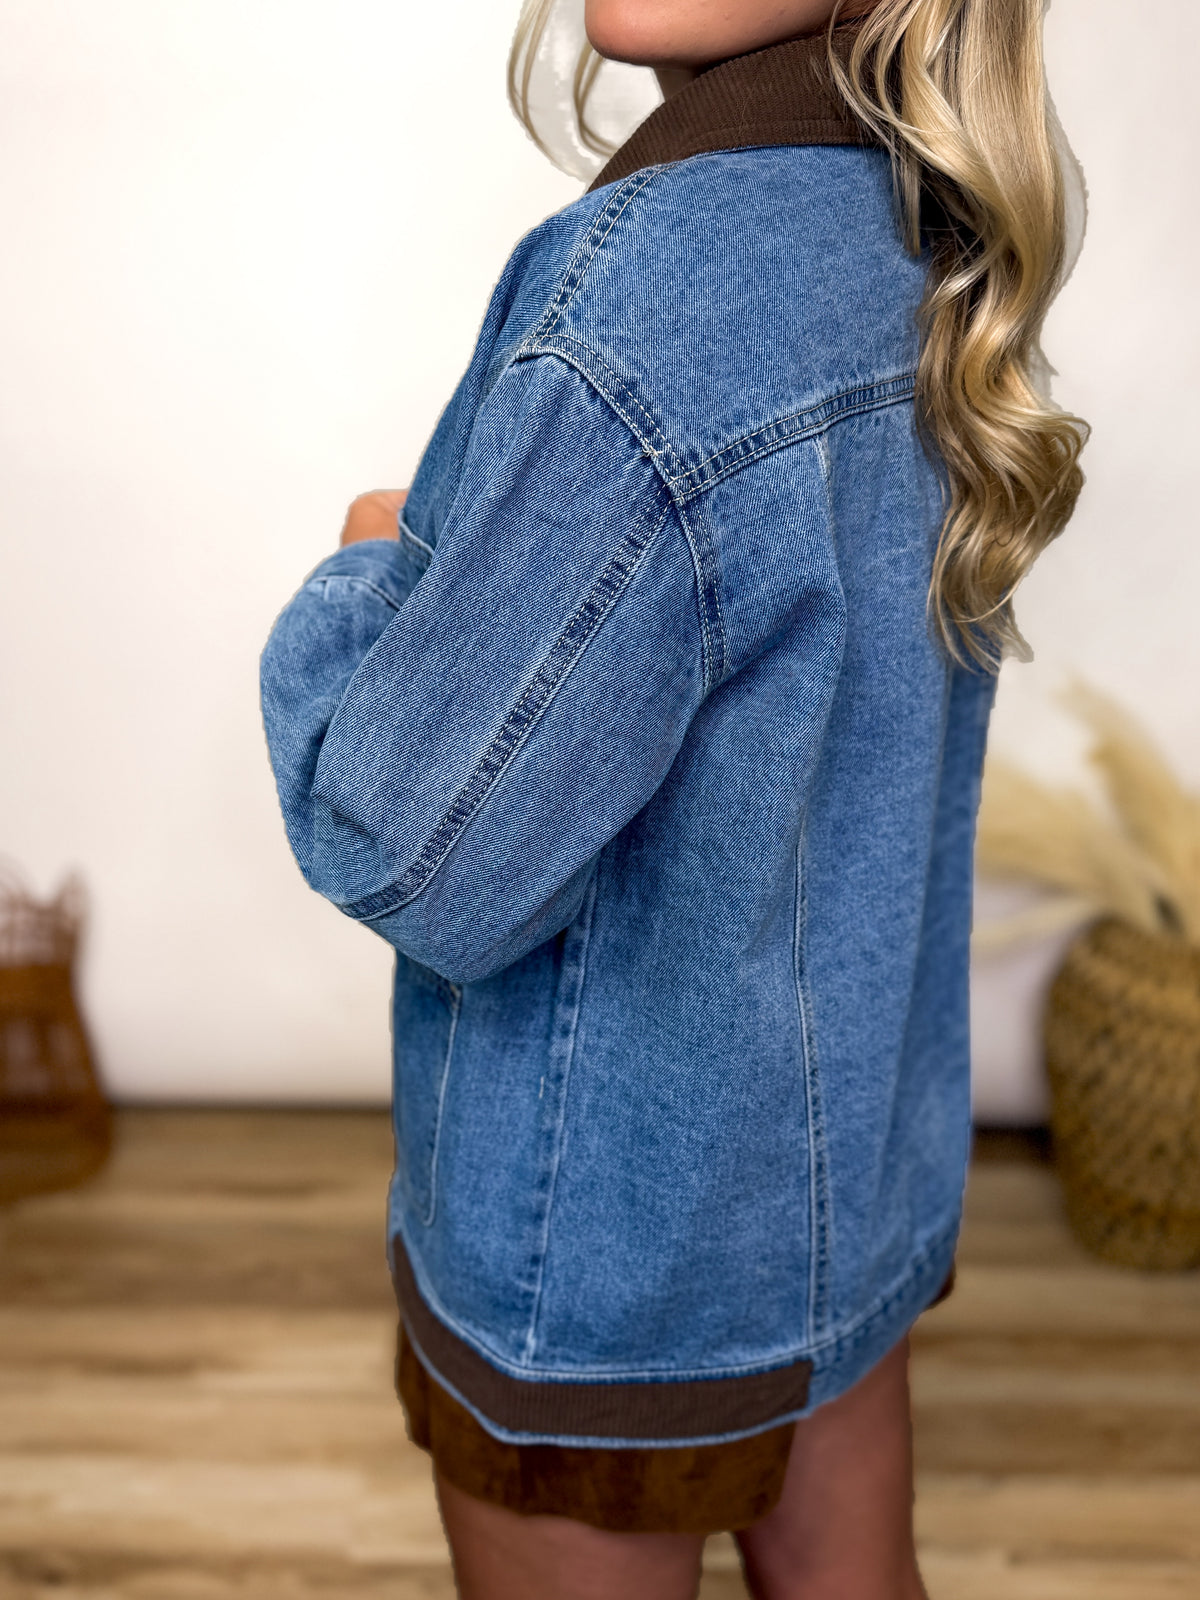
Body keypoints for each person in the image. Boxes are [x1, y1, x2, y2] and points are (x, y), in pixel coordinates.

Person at [260, 0, 1087, 1594]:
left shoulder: (643, 298)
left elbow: (417, 850)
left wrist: (367, 572)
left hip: (605, 1265)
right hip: (841, 1180)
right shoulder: (929, 227)